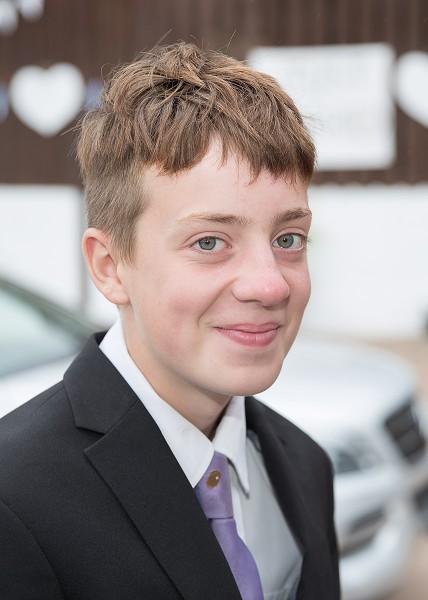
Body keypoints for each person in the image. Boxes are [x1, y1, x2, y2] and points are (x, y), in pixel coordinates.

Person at [0, 43, 340, 599]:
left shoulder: (306, 465)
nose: (271, 285)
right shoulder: (14, 500)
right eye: (209, 242)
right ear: (110, 267)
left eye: (288, 239)